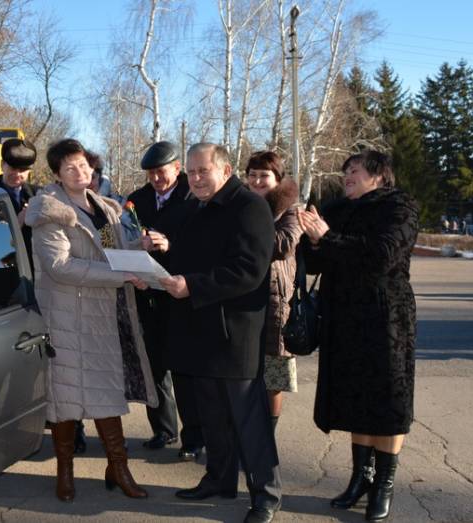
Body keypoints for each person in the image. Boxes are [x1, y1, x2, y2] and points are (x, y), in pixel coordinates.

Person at [24, 138, 159, 502]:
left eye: (83, 165)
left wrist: (141, 250)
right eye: (70, 168)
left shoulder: (104, 208)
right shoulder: (50, 211)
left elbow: (110, 251)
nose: (80, 172)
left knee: (105, 392)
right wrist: (122, 276)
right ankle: (64, 470)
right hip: (66, 315)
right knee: (67, 397)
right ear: (57, 174)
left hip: (102, 315)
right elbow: (60, 267)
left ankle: (118, 466)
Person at [160, 143, 281, 523]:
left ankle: (266, 494)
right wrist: (156, 268)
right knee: (212, 416)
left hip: (236, 332)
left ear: (225, 171)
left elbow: (249, 270)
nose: (195, 178)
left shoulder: (249, 207)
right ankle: (219, 478)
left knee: (249, 420)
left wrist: (192, 286)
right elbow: (186, 258)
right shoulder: (197, 208)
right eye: (191, 172)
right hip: (200, 329)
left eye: (202, 171)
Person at [297, 151, 419, 521]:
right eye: (345, 170)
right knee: (355, 399)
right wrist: (312, 239)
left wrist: (327, 238)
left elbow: (383, 254)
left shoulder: (400, 207)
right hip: (343, 317)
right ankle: (359, 478)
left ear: (379, 176)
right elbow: (316, 261)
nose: (347, 175)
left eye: (355, 170)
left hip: (385, 318)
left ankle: (383, 483)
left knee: (387, 401)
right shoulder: (336, 208)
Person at [125, 141, 205, 461]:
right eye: (151, 174)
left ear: (177, 169)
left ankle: (194, 437)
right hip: (147, 293)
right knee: (153, 364)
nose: (156, 178)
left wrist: (169, 245)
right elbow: (123, 237)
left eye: (162, 172)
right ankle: (163, 429)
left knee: (185, 368)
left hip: (182, 293)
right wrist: (134, 251)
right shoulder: (137, 200)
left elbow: (203, 245)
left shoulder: (194, 196)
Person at [243, 151, 301, 434]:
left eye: (263, 175)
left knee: (274, 375)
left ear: (277, 179)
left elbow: (284, 243)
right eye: (252, 175)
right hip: (242, 300)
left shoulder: (290, 209)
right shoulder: (239, 206)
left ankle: (268, 436)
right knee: (244, 374)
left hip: (277, 303)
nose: (257, 181)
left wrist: (243, 234)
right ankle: (247, 435)